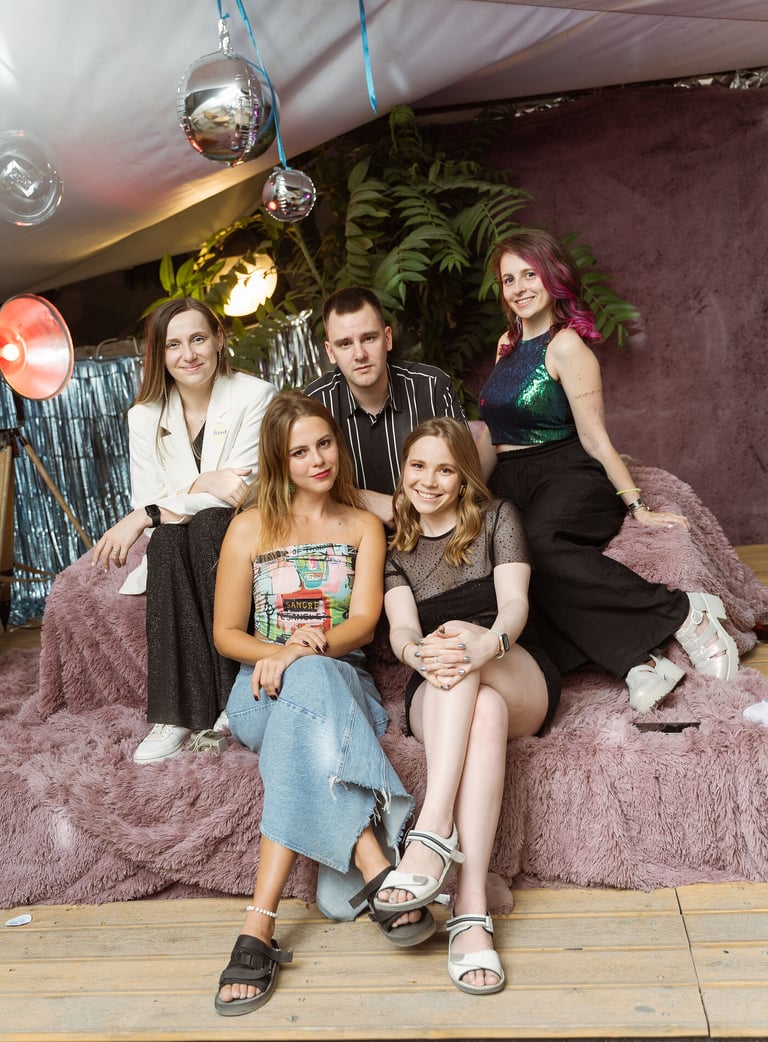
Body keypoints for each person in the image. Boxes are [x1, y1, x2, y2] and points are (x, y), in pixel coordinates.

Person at [212, 391, 430, 1017]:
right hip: (259, 692)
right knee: (302, 683)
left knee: (313, 678)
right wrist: (280, 653)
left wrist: (303, 653)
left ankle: (258, 926)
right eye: (299, 452)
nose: (317, 460)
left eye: (325, 444)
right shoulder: (248, 528)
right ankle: (374, 862)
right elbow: (226, 633)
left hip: (344, 687)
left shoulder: (363, 526)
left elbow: (362, 624)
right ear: (278, 462)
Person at [476, 228, 737, 712]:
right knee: (508, 564)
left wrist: (637, 506)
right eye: (509, 279)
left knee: (539, 544)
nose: (519, 288)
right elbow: (496, 433)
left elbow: (595, 437)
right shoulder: (506, 344)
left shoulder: (566, 346)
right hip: (512, 477)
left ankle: (684, 613)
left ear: (552, 276)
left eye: (529, 274)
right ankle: (639, 663)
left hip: (567, 471)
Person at [380, 417, 560, 994]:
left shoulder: (496, 518)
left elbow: (514, 605)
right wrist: (416, 654)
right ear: (403, 470)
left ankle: (431, 832)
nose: (428, 481)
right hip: (437, 686)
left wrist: (487, 643)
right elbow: (402, 629)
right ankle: (472, 903)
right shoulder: (395, 547)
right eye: (418, 466)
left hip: (509, 664)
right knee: (482, 709)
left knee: (460, 636)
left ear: (463, 477)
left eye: (445, 469)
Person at [91, 298, 276, 762]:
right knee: (170, 538)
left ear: (219, 339)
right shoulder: (143, 416)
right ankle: (173, 714)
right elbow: (149, 498)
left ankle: (233, 699)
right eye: (173, 345)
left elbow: (237, 493)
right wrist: (199, 484)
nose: (188, 354)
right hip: (177, 538)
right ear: (160, 354)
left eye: (197, 339)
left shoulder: (255, 396)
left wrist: (152, 511)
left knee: (209, 522)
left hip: (243, 531)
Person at [305, 286, 467, 527]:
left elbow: (466, 473)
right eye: (345, 344)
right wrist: (363, 499)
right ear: (330, 352)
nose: (360, 354)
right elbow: (294, 490)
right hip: (349, 536)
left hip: (433, 529)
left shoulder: (431, 386)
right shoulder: (313, 405)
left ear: (388, 338)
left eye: (369, 338)